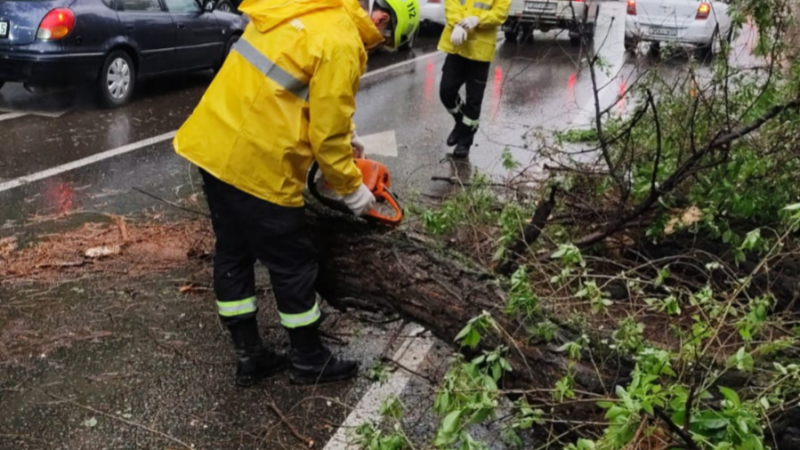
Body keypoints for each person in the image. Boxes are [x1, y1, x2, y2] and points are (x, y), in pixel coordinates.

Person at [173, 0, 419, 387]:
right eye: (384, 41)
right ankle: (308, 358)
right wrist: (353, 192)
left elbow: (290, 85)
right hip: (257, 161)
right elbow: (327, 138)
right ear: (383, 19)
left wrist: (344, 132)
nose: (377, 47)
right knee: (293, 261)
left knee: (234, 250)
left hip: (211, 144)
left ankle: (248, 353)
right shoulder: (342, 41)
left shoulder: (299, 8)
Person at [438, 0, 511, 159]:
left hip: (480, 51)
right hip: (459, 46)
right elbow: (451, 4)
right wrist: (457, 23)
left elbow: (500, 13)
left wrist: (477, 19)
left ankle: (464, 142)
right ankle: (462, 123)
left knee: (474, 99)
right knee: (446, 91)